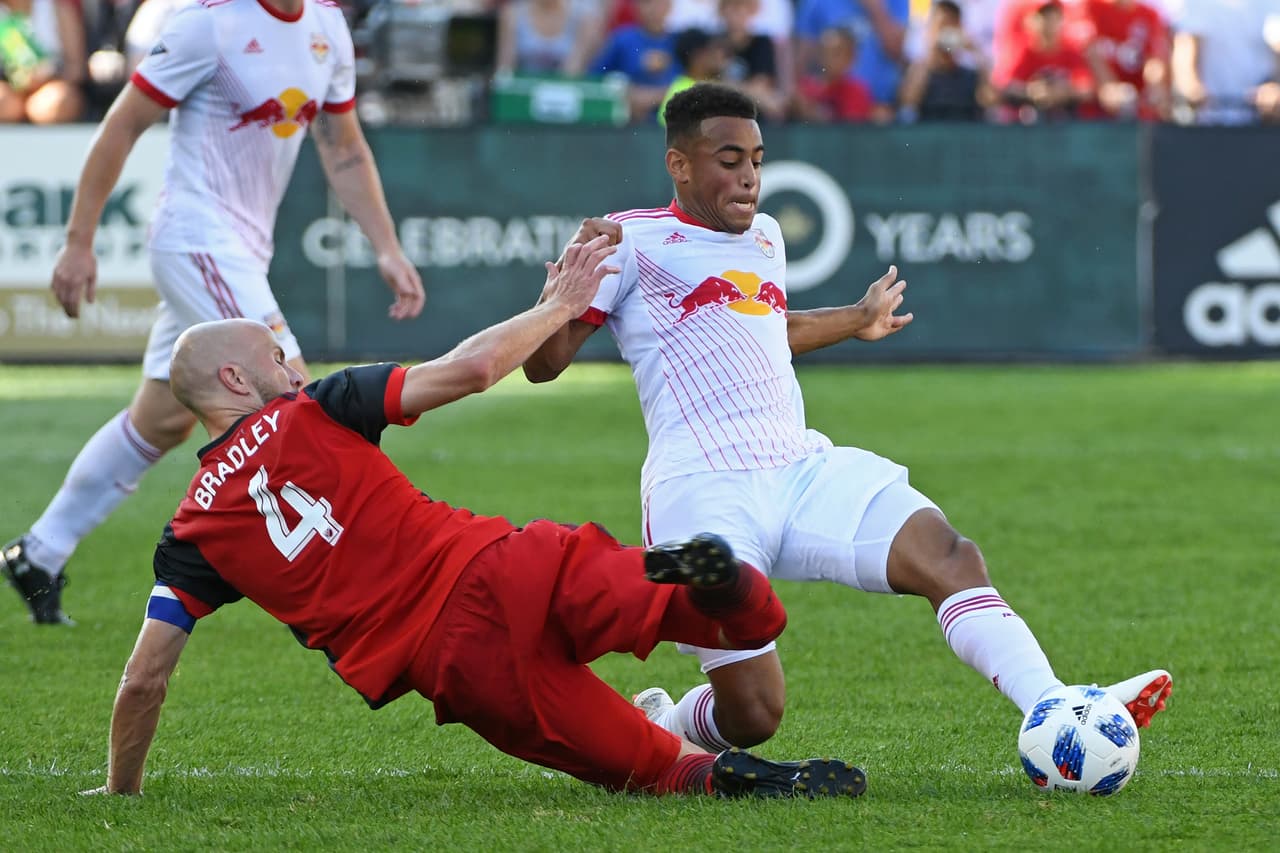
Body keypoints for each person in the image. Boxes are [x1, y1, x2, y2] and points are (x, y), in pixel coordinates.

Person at [79, 237, 867, 801]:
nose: (296, 367)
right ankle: (725, 585)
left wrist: (121, 791)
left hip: (456, 661)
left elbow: (145, 676)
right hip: (506, 560)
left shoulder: (192, 531)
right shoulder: (316, 408)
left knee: (641, 762)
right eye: (278, 358)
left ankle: (719, 773)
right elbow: (472, 369)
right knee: (663, 584)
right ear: (233, 378)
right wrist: (556, 305)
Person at [522, 83, 1172, 756]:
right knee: (755, 714)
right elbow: (543, 367)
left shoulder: (766, 236)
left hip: (800, 466)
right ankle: (668, 724)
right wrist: (556, 297)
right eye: (728, 159)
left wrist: (856, 319)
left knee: (949, 554)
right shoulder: (626, 240)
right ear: (679, 166)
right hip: (699, 491)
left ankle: (1053, 706)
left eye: (756, 158)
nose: (748, 176)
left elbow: (764, 329)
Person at [2, 0, 425, 626]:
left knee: (161, 420)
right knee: (295, 399)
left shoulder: (327, 26)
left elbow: (344, 147)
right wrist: (78, 240)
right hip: (196, 240)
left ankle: (39, 551)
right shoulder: (209, 24)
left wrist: (386, 247)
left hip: (243, 251)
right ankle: (380, 586)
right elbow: (122, 125)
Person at [899, 0, 991, 122]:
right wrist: (931, 50)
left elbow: (991, 100)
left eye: (952, 25)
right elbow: (908, 100)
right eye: (942, 25)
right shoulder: (920, 71)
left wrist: (975, 51)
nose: (947, 31)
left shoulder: (971, 75)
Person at [0, 0, 85, 123]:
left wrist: (47, 75)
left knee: (56, 104)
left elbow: (77, 69)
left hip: (52, 86)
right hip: (8, 90)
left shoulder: (57, 9)